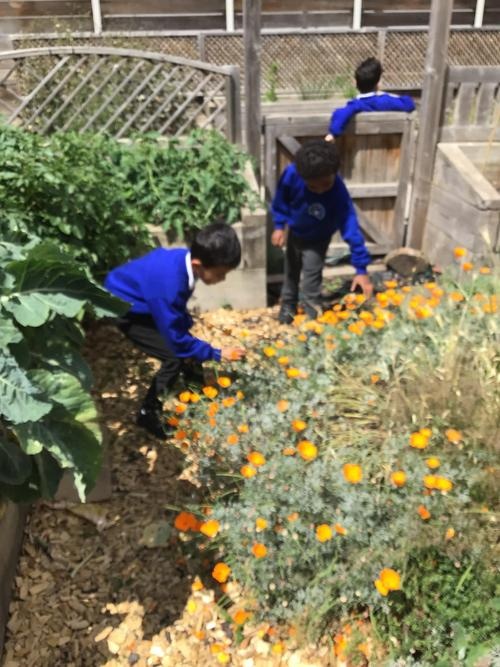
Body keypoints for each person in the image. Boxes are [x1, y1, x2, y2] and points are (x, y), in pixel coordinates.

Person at [104, 222, 246, 438]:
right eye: (220, 274)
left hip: (145, 297)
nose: (222, 279)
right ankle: (148, 412)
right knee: (173, 356)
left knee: (188, 346)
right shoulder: (169, 284)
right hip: (123, 308)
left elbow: (173, 311)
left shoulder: (183, 261)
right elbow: (177, 341)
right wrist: (217, 353)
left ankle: (198, 394)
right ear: (198, 264)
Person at [271, 139, 373, 324]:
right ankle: (288, 306)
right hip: (294, 233)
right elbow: (281, 200)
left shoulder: (338, 192)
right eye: (312, 187)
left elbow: (350, 226)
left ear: (335, 173)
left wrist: (361, 269)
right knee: (291, 272)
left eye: (326, 184)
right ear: (302, 177)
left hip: (318, 240)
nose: (319, 191)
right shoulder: (292, 174)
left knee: (311, 279)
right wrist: (279, 226)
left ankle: (312, 319)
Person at [325, 57, 415, 140]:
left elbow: (341, 113)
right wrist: (392, 95)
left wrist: (332, 133)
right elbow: (409, 104)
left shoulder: (357, 104)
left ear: (356, 83)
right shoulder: (384, 101)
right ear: (378, 84)